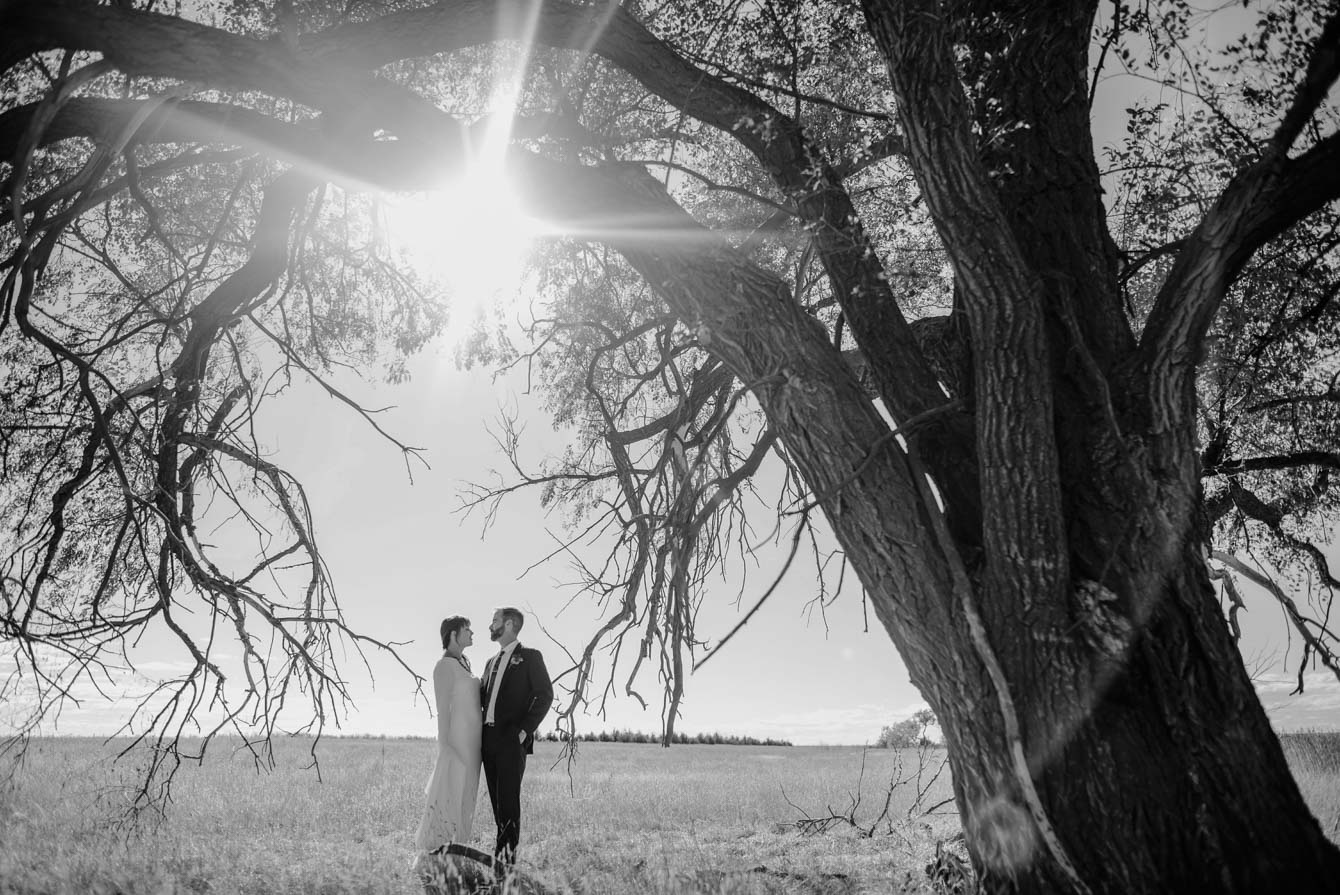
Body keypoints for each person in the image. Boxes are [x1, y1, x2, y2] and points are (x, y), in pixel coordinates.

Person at [479, 607, 553, 871]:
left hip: (511, 741)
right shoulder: (489, 663)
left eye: (495, 621)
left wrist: (524, 732)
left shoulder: (530, 657)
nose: (491, 626)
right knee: (497, 807)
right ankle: (499, 862)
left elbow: (545, 695)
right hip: (487, 742)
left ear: (509, 625)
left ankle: (505, 869)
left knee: (509, 805)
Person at [414, 616, 482, 854]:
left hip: (474, 746)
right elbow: (443, 711)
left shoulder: (465, 662)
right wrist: (445, 748)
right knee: (449, 797)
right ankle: (435, 853)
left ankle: (458, 852)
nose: (472, 633)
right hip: (457, 745)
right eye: (467, 629)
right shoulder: (443, 666)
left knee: (467, 799)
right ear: (453, 634)